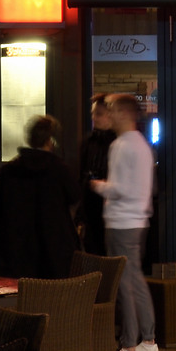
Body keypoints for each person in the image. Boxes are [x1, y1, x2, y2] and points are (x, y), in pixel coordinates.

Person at [88, 92, 157, 351]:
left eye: (113, 110)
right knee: (136, 280)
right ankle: (148, 342)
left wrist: (98, 186)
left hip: (120, 222)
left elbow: (120, 188)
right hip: (138, 221)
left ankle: (129, 348)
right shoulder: (142, 145)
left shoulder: (120, 145)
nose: (109, 115)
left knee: (123, 285)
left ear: (124, 114)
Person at [0, 115, 84, 279]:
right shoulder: (59, 170)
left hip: (15, 252)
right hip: (54, 252)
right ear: (50, 141)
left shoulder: (9, 171)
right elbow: (75, 197)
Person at [74, 94, 116, 253]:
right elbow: (81, 174)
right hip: (91, 206)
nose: (94, 118)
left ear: (110, 115)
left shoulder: (117, 143)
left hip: (108, 206)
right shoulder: (89, 141)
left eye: (98, 114)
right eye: (93, 113)